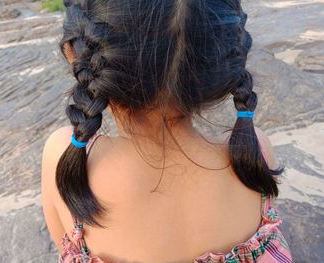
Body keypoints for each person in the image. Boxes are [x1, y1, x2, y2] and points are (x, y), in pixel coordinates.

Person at [41, 0, 293, 262]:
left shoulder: (65, 157)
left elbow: (63, 240)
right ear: (225, 59)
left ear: (75, 53)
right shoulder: (255, 154)